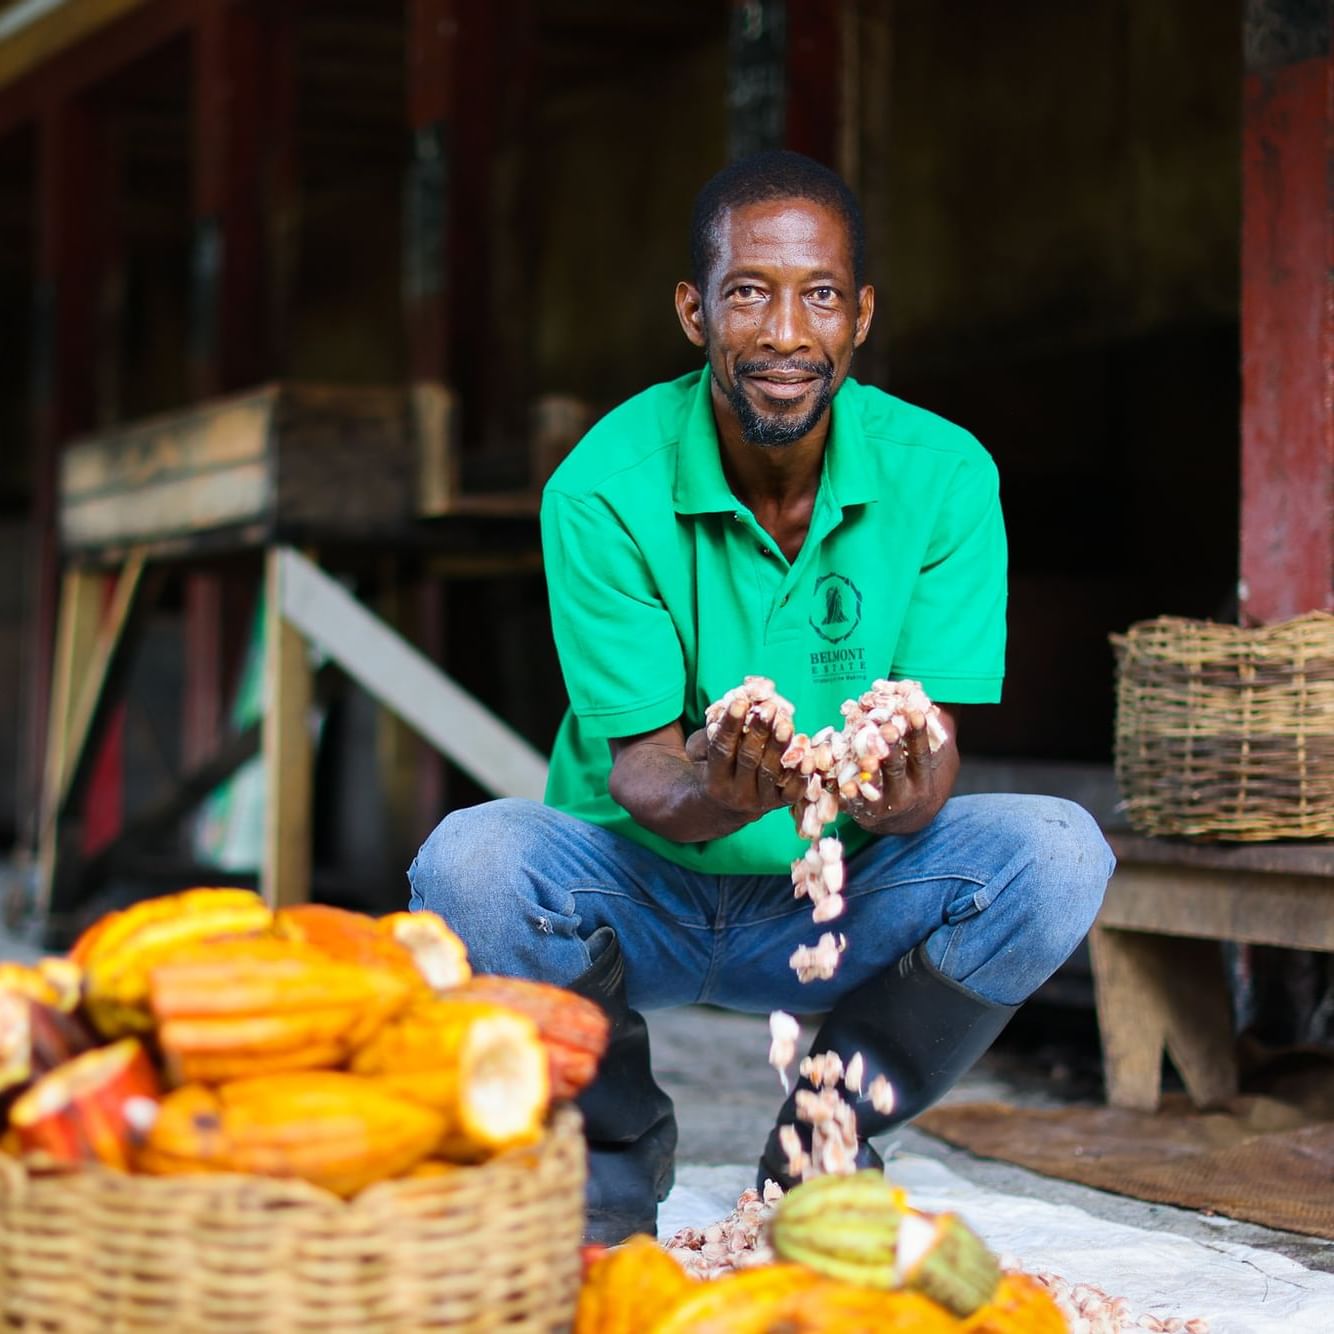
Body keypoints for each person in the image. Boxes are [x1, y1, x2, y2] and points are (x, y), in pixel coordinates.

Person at [408, 150, 1114, 1245]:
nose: (786, 331)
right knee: (469, 863)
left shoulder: (944, 476)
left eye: (819, 294)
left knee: (1059, 853)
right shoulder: (602, 484)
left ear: (861, 314)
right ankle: (611, 1142)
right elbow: (643, 771)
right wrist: (722, 780)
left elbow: (928, 755)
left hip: (829, 900)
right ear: (694, 312)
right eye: (749, 292)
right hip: (638, 885)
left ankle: (822, 1132)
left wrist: (898, 793)